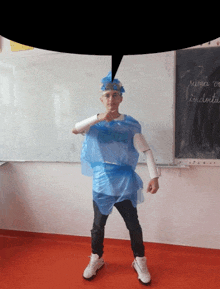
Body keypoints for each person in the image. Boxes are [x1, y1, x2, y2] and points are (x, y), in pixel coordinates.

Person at [72, 71, 159, 285]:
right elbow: (75, 129)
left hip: (125, 184)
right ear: (102, 99)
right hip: (102, 183)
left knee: (133, 225)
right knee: (98, 225)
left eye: (115, 95)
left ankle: (139, 260)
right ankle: (96, 258)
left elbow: (146, 150)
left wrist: (154, 176)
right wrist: (97, 117)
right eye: (107, 95)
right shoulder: (95, 124)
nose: (111, 99)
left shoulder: (130, 125)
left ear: (121, 98)